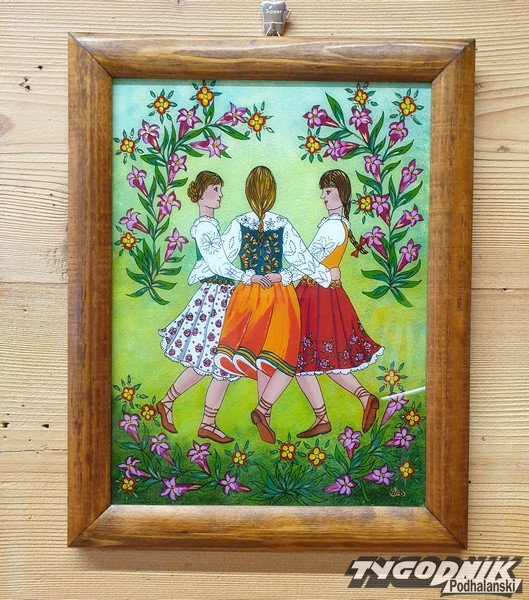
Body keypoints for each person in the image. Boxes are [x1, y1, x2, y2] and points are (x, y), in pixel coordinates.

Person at [213, 166, 339, 444]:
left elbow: (220, 259)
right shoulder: (281, 224)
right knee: (283, 359)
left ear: (248, 192)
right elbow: (303, 259)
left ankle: (264, 419)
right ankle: (263, 411)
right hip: (278, 295)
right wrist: (325, 277)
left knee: (260, 356)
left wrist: (245, 275)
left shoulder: (239, 223)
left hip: (247, 295)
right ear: (273, 193)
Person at [157, 170, 270, 443]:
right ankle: (185, 410)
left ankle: (186, 411)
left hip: (224, 295)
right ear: (200, 194)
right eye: (215, 189)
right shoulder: (204, 227)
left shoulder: (213, 225)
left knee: (214, 361)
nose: (220, 195)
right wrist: (248, 276)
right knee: (218, 360)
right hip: (215, 298)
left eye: (220, 189)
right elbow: (218, 264)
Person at [288, 169, 384, 438]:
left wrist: (282, 280)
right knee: (322, 359)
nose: (323, 197)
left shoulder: (332, 226)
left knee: (301, 359)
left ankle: (323, 417)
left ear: (342, 193)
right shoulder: (340, 224)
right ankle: (363, 397)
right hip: (325, 294)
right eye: (323, 192)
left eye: (328, 191)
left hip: (314, 295)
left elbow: (307, 260)